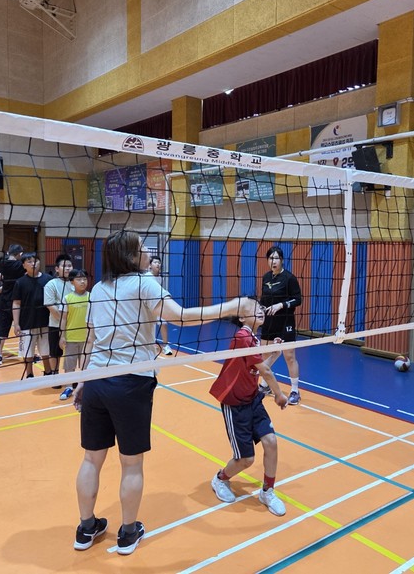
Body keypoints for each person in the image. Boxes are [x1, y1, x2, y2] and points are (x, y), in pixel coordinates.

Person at [72, 229, 255, 556]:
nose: (148, 251)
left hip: (97, 380)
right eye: (143, 247)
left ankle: (86, 528)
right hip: (130, 383)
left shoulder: (98, 288)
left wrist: (83, 380)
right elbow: (180, 318)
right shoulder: (144, 282)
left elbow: (92, 338)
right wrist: (233, 305)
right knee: (131, 465)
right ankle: (128, 533)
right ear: (131, 256)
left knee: (91, 459)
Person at [209, 299, 288, 516]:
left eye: (260, 307)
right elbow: (265, 372)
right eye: (253, 308)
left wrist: (273, 355)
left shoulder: (253, 339)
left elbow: (256, 369)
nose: (260, 310)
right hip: (235, 404)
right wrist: (279, 394)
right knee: (246, 460)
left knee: (271, 442)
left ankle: (267, 492)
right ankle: (220, 479)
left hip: (252, 400)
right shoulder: (243, 337)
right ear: (242, 317)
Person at [258, 245, 304, 405]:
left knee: (289, 356)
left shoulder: (289, 278)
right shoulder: (266, 277)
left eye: (276, 258)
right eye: (271, 258)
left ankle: (295, 391)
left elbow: (298, 299)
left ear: (282, 260)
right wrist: (260, 309)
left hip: (285, 321)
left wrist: (281, 305)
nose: (273, 261)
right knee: (265, 355)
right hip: (269, 321)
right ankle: (265, 385)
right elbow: (263, 298)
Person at [12, 253, 53, 378]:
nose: (33, 263)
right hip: (26, 322)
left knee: (46, 350)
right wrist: (16, 324)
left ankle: (48, 371)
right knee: (27, 352)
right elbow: (16, 303)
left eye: (35, 260)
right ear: (24, 265)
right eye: (29, 261)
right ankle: (29, 374)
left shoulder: (48, 279)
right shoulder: (20, 282)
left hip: (45, 321)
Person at [58, 269, 90, 401]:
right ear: (72, 282)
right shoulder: (67, 298)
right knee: (69, 365)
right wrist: (62, 336)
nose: (82, 282)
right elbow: (63, 319)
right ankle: (69, 387)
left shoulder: (91, 297)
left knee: (86, 365)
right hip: (71, 337)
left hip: (88, 339)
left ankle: (85, 388)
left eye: (84, 279)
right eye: (79, 279)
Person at [0, 244, 26, 368]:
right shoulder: (21, 265)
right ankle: (26, 353)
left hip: (5, 299)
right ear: (20, 254)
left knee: (3, 328)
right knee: (24, 328)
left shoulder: (2, 263)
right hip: (18, 300)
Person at [44, 253, 73, 380]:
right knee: (55, 352)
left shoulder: (75, 283)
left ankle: (71, 377)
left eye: (70, 266)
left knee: (72, 353)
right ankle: (55, 377)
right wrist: (63, 321)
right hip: (55, 324)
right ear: (57, 268)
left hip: (74, 326)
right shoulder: (51, 284)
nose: (67, 268)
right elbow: (50, 305)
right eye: (64, 266)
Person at [148, 255, 172, 355]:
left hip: (157, 305)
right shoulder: (147, 277)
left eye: (159, 262)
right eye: (155, 262)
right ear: (150, 265)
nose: (158, 264)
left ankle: (165, 346)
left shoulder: (160, 278)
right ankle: (149, 345)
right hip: (147, 306)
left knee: (163, 323)